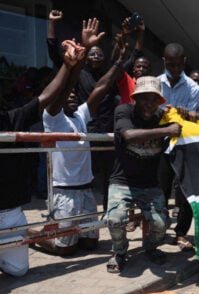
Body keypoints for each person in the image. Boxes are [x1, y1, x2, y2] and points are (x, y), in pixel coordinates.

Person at [36, 26, 127, 256]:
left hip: (85, 192)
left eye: (76, 94)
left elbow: (101, 88)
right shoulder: (52, 118)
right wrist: (79, 53)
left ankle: (61, 231)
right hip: (64, 192)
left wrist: (118, 63)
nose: (74, 96)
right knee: (66, 250)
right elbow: (64, 87)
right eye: (69, 95)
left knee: (90, 245)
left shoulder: (81, 115)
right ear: (59, 98)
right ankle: (33, 237)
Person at [0, 40, 84, 276]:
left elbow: (45, 98)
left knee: (19, 271)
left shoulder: (10, 119)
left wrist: (68, 66)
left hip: (9, 214)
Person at [105, 76, 182, 273]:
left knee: (162, 223)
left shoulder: (163, 117)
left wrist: (184, 115)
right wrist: (166, 130)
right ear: (135, 99)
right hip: (122, 181)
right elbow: (128, 135)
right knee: (115, 218)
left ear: (159, 101)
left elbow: (184, 127)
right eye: (144, 99)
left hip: (149, 183)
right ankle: (120, 251)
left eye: (153, 99)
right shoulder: (124, 111)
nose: (149, 104)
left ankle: (150, 248)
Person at [157, 43, 199, 252]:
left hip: (184, 147)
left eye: (178, 65)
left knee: (184, 193)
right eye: (170, 65)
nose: (174, 69)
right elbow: (149, 112)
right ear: (164, 62)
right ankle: (157, 231)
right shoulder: (156, 84)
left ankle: (181, 233)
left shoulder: (193, 87)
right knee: (160, 191)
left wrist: (186, 114)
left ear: (184, 62)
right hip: (160, 147)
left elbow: (193, 119)